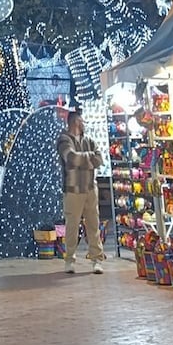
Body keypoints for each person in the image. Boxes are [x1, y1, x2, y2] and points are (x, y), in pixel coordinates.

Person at [56, 106, 105, 274]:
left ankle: (97, 259)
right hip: (73, 189)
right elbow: (70, 158)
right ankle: (70, 258)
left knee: (93, 224)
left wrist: (83, 160)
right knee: (72, 225)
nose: (84, 124)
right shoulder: (64, 140)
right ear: (76, 122)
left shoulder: (89, 140)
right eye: (82, 121)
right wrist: (88, 158)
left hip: (90, 188)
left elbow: (99, 159)